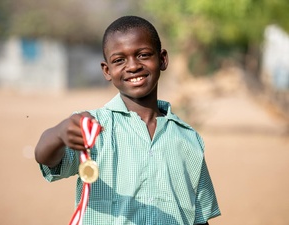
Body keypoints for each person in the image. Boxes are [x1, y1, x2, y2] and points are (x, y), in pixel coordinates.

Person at [35, 15, 221, 225]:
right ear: (107, 70)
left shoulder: (188, 139)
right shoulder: (90, 129)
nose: (132, 66)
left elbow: (199, 217)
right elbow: (45, 157)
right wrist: (59, 133)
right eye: (119, 60)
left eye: (143, 55)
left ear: (162, 60)